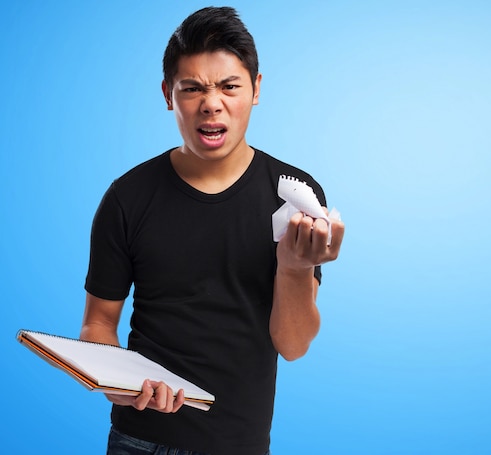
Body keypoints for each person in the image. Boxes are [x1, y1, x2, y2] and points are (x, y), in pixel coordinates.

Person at [79, 6, 344, 455]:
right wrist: (117, 382)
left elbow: (294, 344)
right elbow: (98, 324)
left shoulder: (292, 198)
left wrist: (295, 267)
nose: (211, 103)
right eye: (193, 88)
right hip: (139, 439)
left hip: (240, 442)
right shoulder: (127, 197)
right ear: (168, 94)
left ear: (256, 89)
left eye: (229, 86)